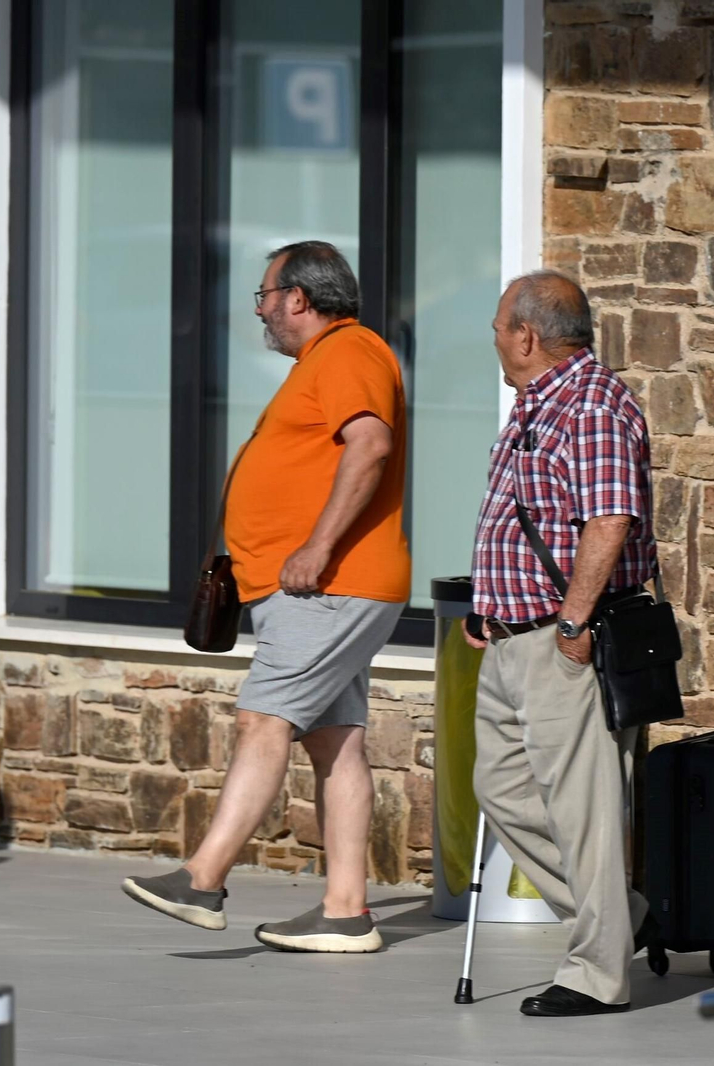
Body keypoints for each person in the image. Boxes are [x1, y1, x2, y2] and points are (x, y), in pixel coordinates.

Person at [122, 241, 409, 953]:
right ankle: (346, 911)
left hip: (329, 587)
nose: (262, 311)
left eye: (265, 296)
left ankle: (204, 878)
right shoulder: (329, 361)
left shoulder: (349, 352)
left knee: (263, 721)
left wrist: (314, 546)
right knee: (334, 741)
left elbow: (369, 445)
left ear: (299, 299)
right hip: (326, 589)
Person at [462, 271, 655, 1017]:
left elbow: (609, 520)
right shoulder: (537, 404)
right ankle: (620, 917)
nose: (495, 338)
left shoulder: (594, 403)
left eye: (499, 326)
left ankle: (597, 974)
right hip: (512, 636)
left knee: (586, 813)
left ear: (528, 336)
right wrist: (488, 603)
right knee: (501, 788)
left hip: (564, 640)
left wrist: (574, 623)